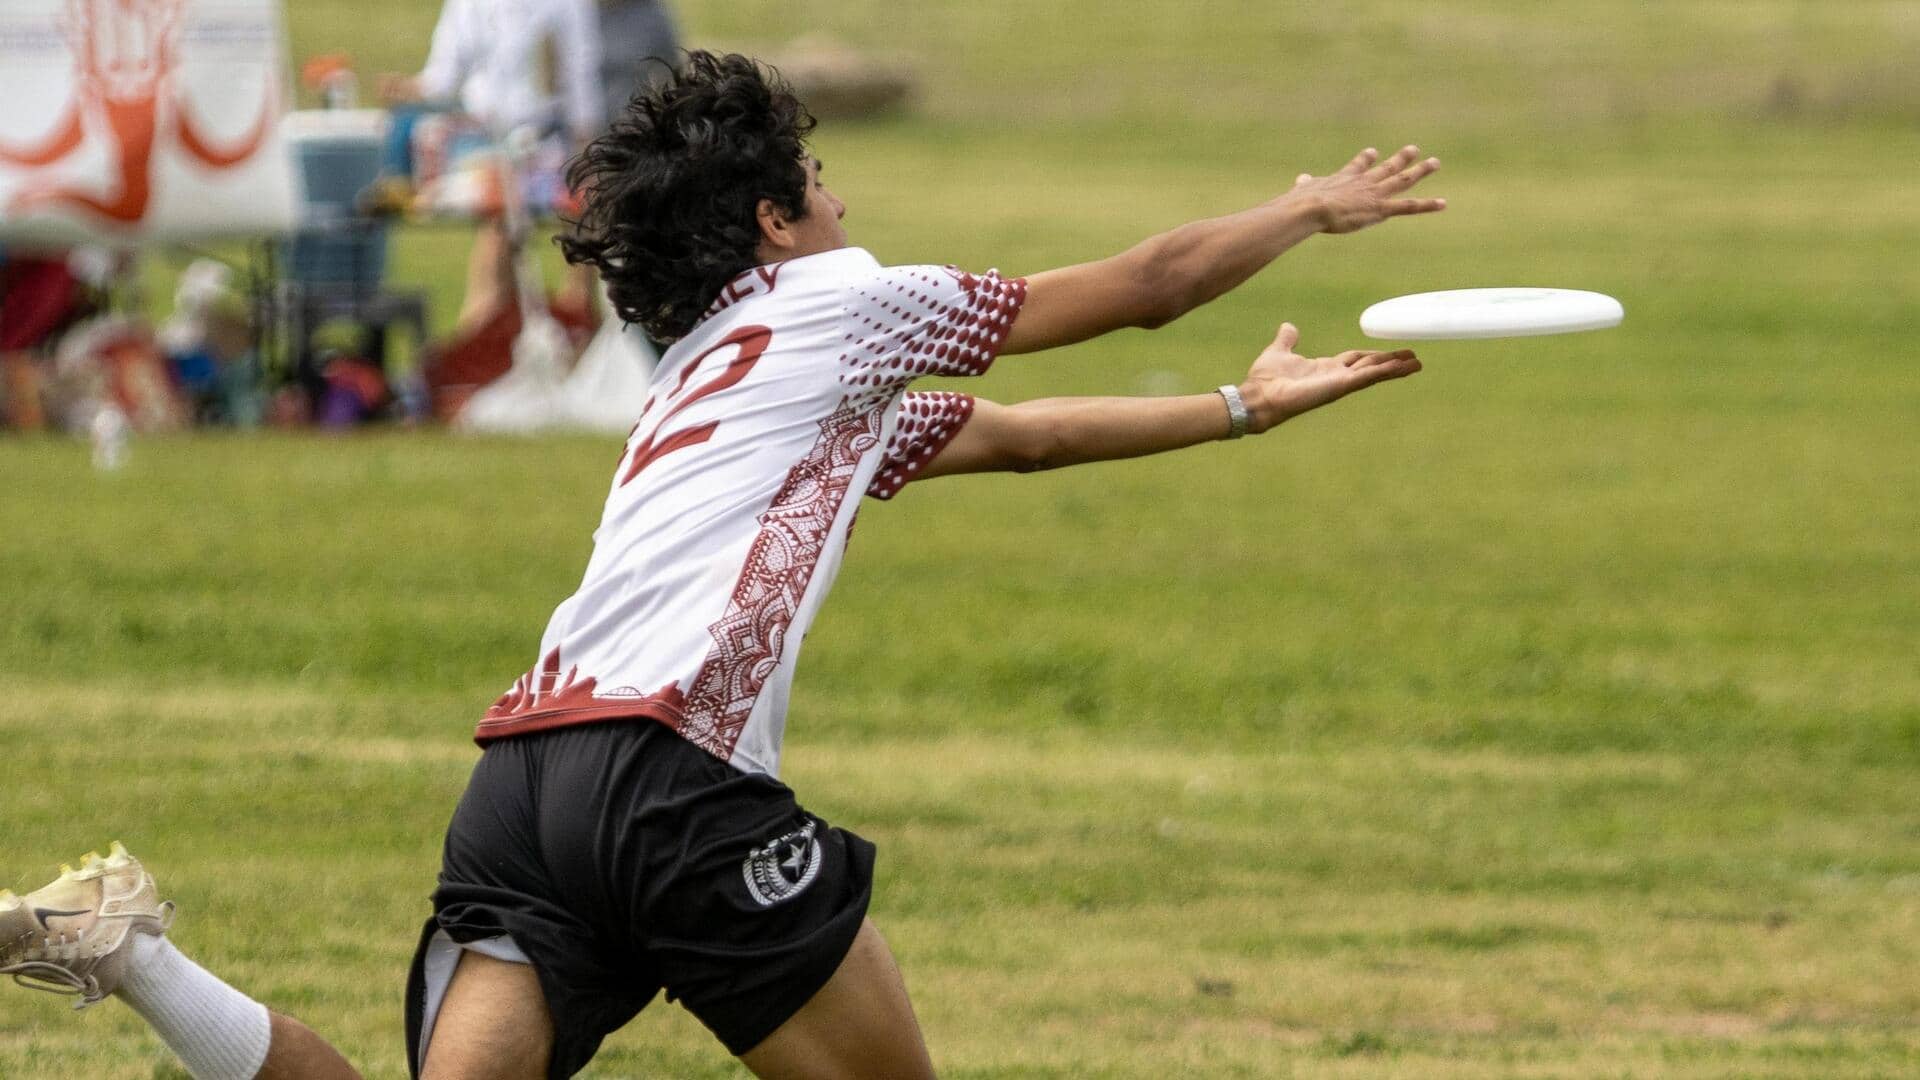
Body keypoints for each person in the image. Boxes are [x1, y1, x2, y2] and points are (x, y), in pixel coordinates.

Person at [0, 51, 1443, 1080]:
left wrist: (1245, 406)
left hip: (524, 791)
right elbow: (1147, 286)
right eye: (818, 182)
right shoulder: (843, 306)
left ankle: (131, 957)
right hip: (668, 779)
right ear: (770, 221)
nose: (837, 205)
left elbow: (1015, 436)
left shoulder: (710, 372)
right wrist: (1305, 210)